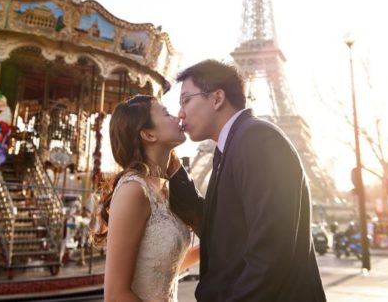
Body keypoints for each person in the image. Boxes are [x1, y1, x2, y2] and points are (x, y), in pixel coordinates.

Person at [169, 59, 326, 301]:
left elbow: (271, 253)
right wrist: (170, 163)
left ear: (217, 98)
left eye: (186, 100)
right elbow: (221, 229)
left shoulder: (258, 140)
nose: (180, 112)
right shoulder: (233, 146)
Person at [95, 95, 200, 302]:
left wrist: (219, 243)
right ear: (148, 134)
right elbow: (116, 295)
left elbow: (162, 266)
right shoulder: (133, 190)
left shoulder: (164, 187)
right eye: (166, 113)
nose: (178, 117)